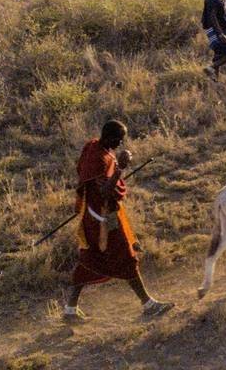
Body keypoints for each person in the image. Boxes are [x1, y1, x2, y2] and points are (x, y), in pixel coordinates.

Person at [64, 120, 170, 320]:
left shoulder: (93, 146)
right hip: (103, 222)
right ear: (109, 137)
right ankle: (148, 304)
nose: (120, 144)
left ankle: (70, 309)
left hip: (92, 217)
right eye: (119, 140)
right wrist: (120, 168)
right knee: (127, 258)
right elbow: (104, 192)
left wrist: (115, 167)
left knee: (89, 260)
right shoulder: (99, 159)